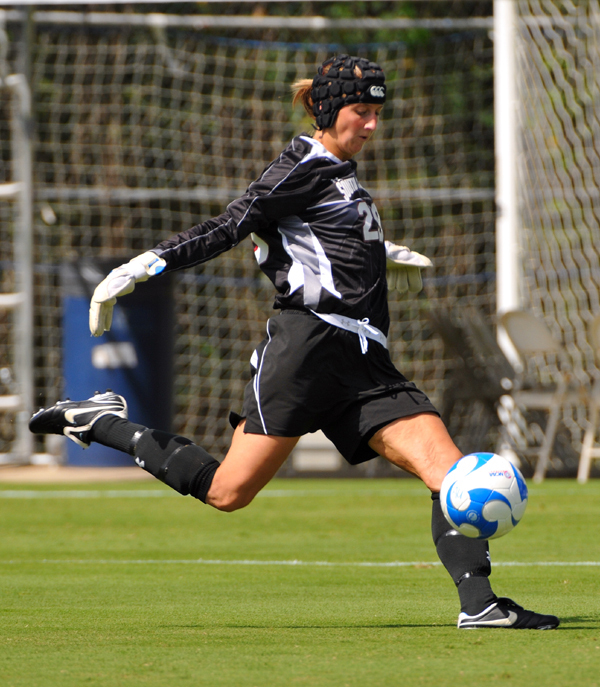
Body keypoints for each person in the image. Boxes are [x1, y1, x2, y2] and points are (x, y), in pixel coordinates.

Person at [30, 55, 558, 630]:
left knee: (453, 476)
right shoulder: (299, 167)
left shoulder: (341, 168)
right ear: (328, 111)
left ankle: (480, 606)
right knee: (228, 492)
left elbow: (305, 240)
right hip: (305, 351)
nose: (373, 125)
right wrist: (145, 264)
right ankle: (98, 420)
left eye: (378, 112)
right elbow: (231, 226)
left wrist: (382, 254)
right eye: (362, 112)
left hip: (362, 358)